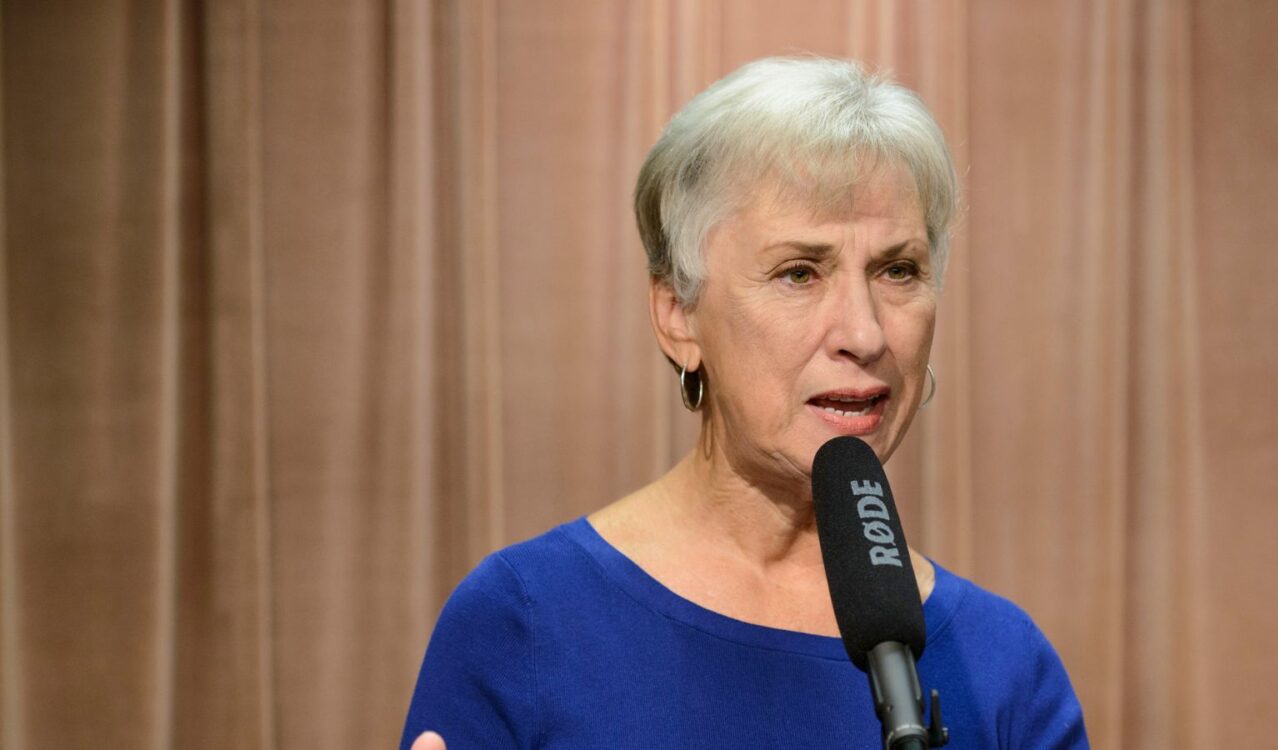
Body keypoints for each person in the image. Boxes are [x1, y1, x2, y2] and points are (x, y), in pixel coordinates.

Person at [400, 56, 1090, 749]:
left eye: (898, 270)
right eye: (799, 273)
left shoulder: (1003, 666)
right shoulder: (525, 620)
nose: (865, 333)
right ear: (678, 314)